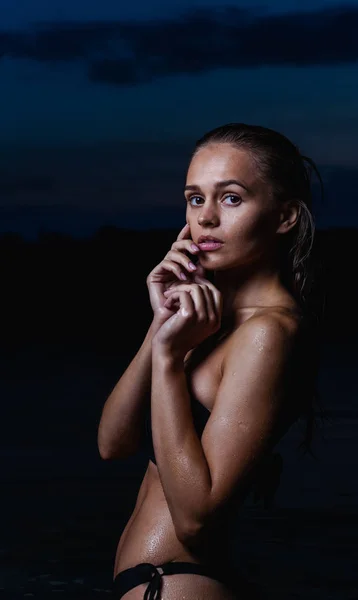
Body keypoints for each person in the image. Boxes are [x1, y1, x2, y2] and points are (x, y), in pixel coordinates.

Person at [97, 123, 325, 599]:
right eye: (195, 198)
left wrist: (169, 360)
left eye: (232, 198)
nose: (206, 219)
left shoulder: (269, 334)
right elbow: (113, 443)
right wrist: (159, 327)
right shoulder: (207, 320)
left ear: (284, 216)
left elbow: (196, 520)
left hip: (180, 585)